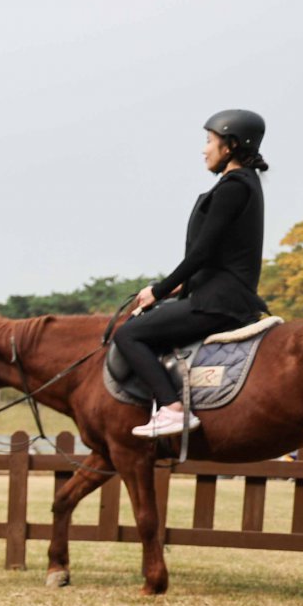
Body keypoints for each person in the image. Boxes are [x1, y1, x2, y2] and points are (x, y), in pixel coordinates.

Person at [113, 109, 270, 438]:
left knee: (129, 334)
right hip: (218, 292)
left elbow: (202, 252)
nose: (204, 149)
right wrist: (177, 287)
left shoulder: (233, 186)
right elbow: (219, 255)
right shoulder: (243, 184)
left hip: (218, 301)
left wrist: (159, 289)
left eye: (209, 141)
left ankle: (170, 409)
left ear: (230, 146)